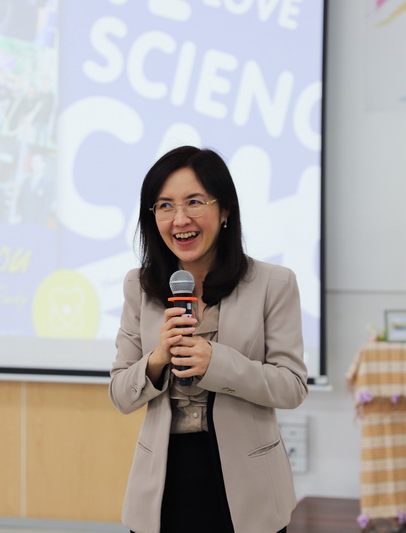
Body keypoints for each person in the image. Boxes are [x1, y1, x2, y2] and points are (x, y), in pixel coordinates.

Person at [109, 146, 308, 533]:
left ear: (225, 210)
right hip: (162, 486)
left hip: (248, 487)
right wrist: (157, 359)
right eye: (165, 206)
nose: (180, 219)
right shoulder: (139, 285)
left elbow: (292, 387)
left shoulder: (274, 283)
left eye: (194, 202)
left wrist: (217, 363)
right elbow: (120, 394)